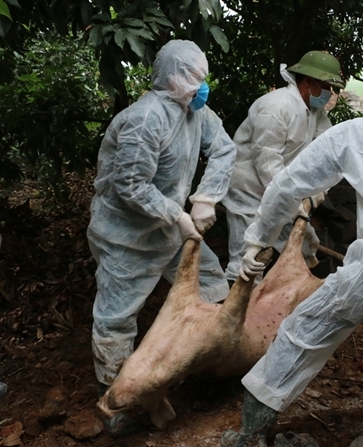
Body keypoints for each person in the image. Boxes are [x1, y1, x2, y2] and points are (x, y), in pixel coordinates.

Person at [221, 67, 363, 447]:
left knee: (302, 332)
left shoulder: (356, 132)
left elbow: (287, 184)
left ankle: (249, 436)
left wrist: (256, 239)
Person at [87, 40, 235, 436]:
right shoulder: (144, 119)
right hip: (128, 238)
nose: (203, 88)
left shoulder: (194, 112)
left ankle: (209, 361)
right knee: (117, 319)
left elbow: (224, 149)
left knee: (212, 285)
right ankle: (119, 400)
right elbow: (130, 185)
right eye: (195, 79)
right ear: (172, 78)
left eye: (204, 79)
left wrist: (205, 198)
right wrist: (177, 214)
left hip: (172, 228)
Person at [222, 50, 345, 284]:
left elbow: (327, 148)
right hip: (250, 192)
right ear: (309, 82)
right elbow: (267, 161)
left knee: (303, 245)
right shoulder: (276, 107)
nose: (330, 92)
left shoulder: (314, 112)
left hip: (282, 189)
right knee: (248, 260)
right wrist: (292, 198)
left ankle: (281, 302)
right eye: (326, 85)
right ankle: (235, 314)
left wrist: (316, 191)